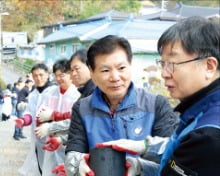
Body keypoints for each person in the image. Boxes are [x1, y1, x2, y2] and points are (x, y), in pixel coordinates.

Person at [97, 16, 220, 175]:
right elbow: (176, 154)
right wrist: (142, 163)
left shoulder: (208, 136)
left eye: (172, 64)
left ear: (209, 66)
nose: (163, 74)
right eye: (162, 63)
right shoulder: (197, 111)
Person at [64, 35, 178, 176]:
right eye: (105, 70)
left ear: (130, 66)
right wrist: (77, 164)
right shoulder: (82, 108)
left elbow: (173, 158)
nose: (115, 77)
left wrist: (141, 167)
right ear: (92, 73)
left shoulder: (156, 104)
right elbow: (74, 149)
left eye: (121, 68)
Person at [34, 59, 81, 175]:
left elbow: (75, 119)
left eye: (62, 75)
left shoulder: (77, 94)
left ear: (70, 74)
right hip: (51, 141)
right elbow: (40, 114)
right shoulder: (51, 92)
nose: (59, 79)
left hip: (68, 142)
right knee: (50, 170)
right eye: (56, 76)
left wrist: (53, 116)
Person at [15, 63, 55, 176]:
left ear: (47, 75)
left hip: (53, 137)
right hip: (38, 138)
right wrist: (23, 120)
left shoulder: (54, 92)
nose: (38, 78)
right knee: (39, 165)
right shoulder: (33, 94)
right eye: (35, 75)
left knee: (52, 167)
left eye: (41, 75)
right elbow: (30, 113)